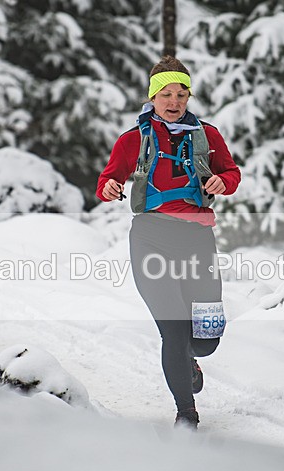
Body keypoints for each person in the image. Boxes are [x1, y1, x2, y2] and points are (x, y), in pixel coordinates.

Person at [96, 55, 241, 429]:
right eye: (166, 94)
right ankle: (186, 412)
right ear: (153, 97)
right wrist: (109, 186)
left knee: (206, 338)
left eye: (181, 94)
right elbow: (107, 179)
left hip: (197, 239)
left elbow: (231, 172)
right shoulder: (134, 139)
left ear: (188, 96)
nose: (174, 102)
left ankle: (191, 358)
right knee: (174, 330)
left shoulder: (207, 136)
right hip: (151, 238)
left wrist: (223, 182)